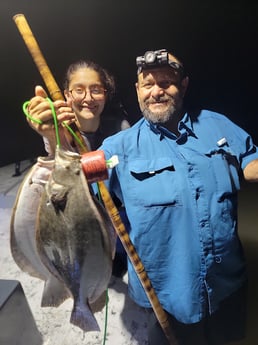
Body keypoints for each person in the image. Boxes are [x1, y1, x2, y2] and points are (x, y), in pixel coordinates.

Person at [25, 49, 258, 345]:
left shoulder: (216, 124)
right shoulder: (116, 148)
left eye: (166, 83)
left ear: (183, 86)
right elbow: (73, 183)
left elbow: (250, 161)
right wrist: (54, 137)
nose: (156, 92)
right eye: (148, 84)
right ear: (137, 90)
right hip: (166, 296)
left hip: (228, 283)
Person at [26, 59, 129, 278]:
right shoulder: (60, 130)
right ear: (67, 95)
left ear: (105, 94)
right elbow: (57, 162)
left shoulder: (120, 128)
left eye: (96, 90)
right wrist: (51, 135)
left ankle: (116, 252)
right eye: (79, 90)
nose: (88, 98)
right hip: (79, 210)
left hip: (114, 209)